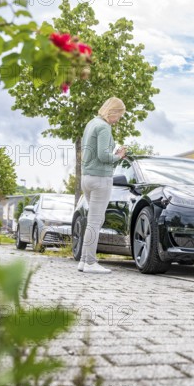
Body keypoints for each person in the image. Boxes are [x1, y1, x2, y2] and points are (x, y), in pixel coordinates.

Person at [78, 97, 126, 274]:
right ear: (112, 111)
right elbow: (103, 156)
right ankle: (90, 262)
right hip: (100, 179)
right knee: (95, 221)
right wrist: (118, 156)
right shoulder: (104, 127)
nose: (118, 119)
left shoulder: (91, 123)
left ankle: (84, 261)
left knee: (93, 220)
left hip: (87, 178)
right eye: (119, 115)